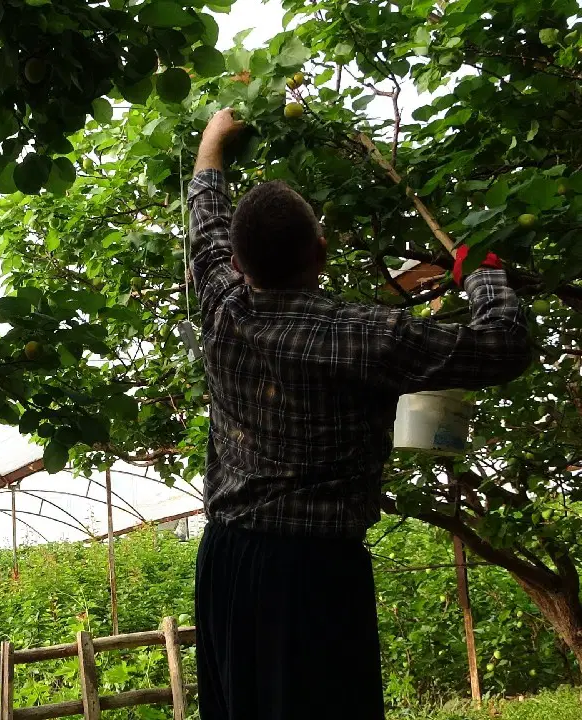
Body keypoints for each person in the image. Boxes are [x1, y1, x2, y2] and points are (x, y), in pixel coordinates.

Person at [188, 109, 531, 720]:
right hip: (314, 573)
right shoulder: (368, 336)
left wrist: (212, 142)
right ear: (320, 252)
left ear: (236, 264)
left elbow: (205, 219)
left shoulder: (220, 307)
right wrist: (485, 274)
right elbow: (505, 346)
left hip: (228, 561)